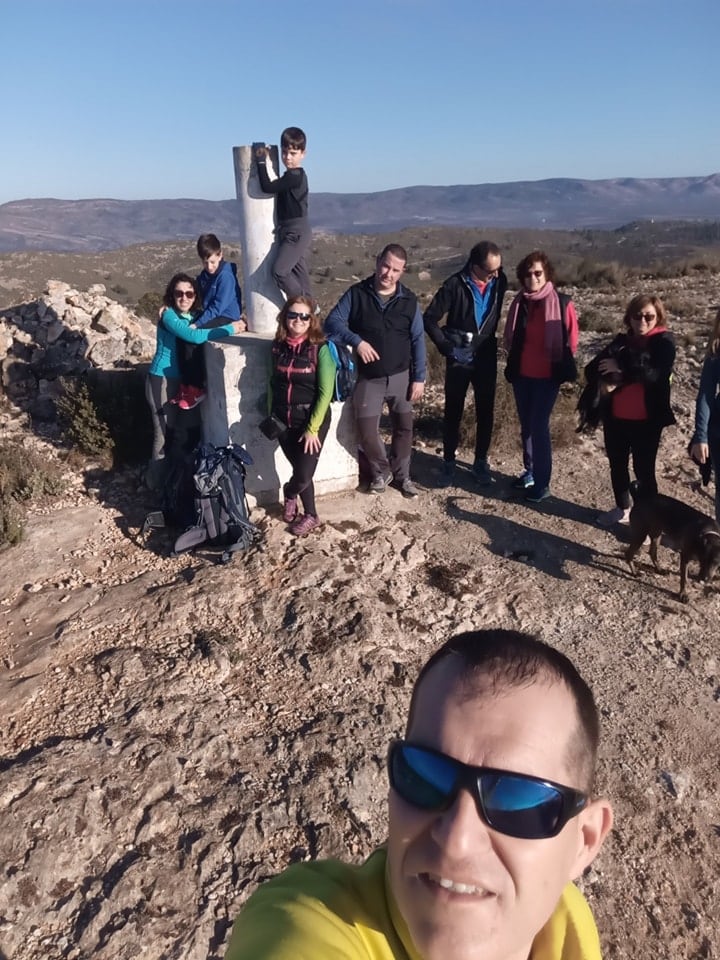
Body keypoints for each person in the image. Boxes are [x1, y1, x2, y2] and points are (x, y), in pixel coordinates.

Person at [225, 628, 614, 960]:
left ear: (584, 841)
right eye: (426, 776)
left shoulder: (568, 930)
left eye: (518, 799)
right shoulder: (305, 920)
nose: (456, 839)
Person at [324, 244, 426, 498]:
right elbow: (332, 322)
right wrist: (357, 341)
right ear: (377, 260)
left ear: (402, 272)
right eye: (385, 265)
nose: (388, 273)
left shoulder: (409, 300)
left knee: (404, 427)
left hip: (402, 376)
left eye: (395, 270)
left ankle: (403, 476)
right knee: (367, 431)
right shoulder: (357, 294)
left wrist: (420, 378)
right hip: (369, 378)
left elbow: (418, 340)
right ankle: (382, 471)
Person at [144, 273, 243, 490]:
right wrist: (232, 328)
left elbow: (209, 322)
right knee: (164, 436)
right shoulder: (169, 315)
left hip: (185, 383)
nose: (184, 297)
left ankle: (177, 487)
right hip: (162, 380)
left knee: (185, 433)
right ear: (172, 295)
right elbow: (195, 337)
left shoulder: (195, 316)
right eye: (179, 293)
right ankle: (156, 488)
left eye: (189, 293)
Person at [585, 294, 676, 526]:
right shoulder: (621, 341)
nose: (642, 321)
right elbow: (591, 369)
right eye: (637, 315)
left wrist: (620, 369)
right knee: (617, 464)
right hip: (616, 416)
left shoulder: (664, 343)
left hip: (647, 420)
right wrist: (615, 371)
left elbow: (654, 374)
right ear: (629, 318)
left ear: (658, 317)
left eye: (649, 316)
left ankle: (649, 521)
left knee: (644, 470)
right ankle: (623, 508)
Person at [424, 241, 508, 486]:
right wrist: (448, 347)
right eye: (490, 270)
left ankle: (480, 462)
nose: (496, 274)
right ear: (474, 266)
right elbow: (429, 319)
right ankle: (448, 461)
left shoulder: (500, 282)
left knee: (486, 409)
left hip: (486, 351)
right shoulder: (454, 285)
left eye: (498, 269)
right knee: (454, 409)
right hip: (459, 351)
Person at [503, 251, 579, 503]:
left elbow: (572, 341)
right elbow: (512, 340)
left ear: (547, 274)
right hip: (522, 375)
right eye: (527, 273)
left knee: (538, 426)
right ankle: (531, 471)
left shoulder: (562, 302)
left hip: (547, 377)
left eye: (537, 273)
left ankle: (543, 483)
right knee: (526, 425)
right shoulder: (520, 303)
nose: (532, 278)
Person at [268, 295, 334, 536]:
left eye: (304, 316)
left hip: (310, 420)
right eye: (293, 314)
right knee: (299, 468)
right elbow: (271, 382)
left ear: (311, 320)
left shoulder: (321, 349)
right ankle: (309, 512)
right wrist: (270, 414)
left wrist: (313, 428)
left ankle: (292, 495)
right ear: (285, 317)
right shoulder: (277, 347)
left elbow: (325, 392)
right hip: (282, 420)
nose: (298, 320)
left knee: (304, 473)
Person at [173, 233, 246, 411]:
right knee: (180, 336)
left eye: (213, 262)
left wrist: (197, 325)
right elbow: (195, 291)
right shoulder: (205, 276)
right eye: (205, 263)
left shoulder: (225, 277)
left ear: (220, 255)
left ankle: (196, 388)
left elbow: (217, 308)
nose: (209, 266)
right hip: (210, 314)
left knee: (193, 338)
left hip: (226, 317)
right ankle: (186, 386)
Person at [255, 127, 312, 300]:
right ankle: (312, 312)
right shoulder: (292, 176)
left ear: (303, 153)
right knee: (300, 275)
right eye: (285, 152)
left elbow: (268, 187)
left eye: (293, 153)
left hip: (296, 231)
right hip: (291, 230)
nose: (287, 157)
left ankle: (302, 305)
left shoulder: (295, 176)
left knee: (280, 271)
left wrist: (261, 161)